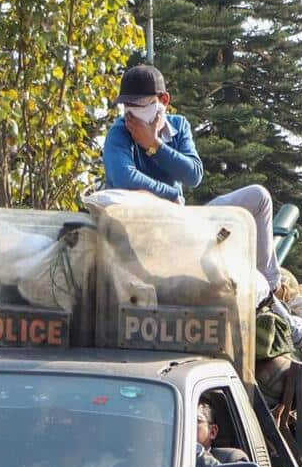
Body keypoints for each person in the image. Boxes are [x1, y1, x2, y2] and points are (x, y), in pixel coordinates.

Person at [101, 64, 278, 297]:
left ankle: (270, 287)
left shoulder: (179, 126)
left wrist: (154, 145)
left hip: (185, 227)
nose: (131, 113)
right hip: (147, 235)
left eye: (139, 104)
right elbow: (124, 177)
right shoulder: (120, 133)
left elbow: (193, 175)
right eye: (127, 106)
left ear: (162, 100)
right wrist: (170, 196)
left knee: (259, 196)